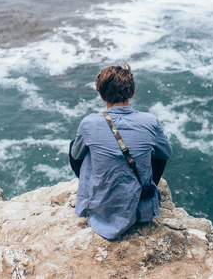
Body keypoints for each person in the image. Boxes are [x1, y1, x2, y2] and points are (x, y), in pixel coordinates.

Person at [69, 62, 173, 240]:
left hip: (101, 209)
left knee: (76, 146)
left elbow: (76, 156)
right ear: (131, 93)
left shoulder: (89, 123)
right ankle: (145, 188)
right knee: (157, 151)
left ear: (101, 96)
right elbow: (165, 154)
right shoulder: (150, 121)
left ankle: (97, 190)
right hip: (141, 208)